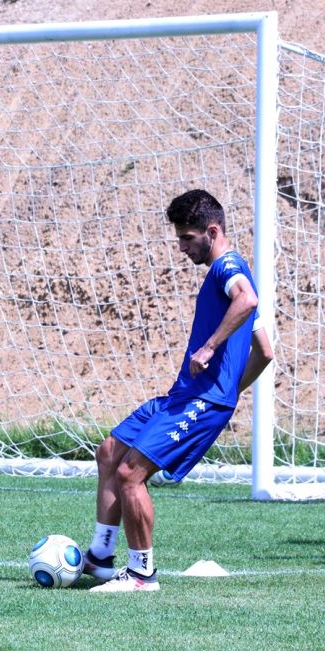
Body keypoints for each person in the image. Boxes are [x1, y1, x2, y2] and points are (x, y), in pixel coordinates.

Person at [80, 189, 273, 592]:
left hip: (201, 400)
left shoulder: (229, 268)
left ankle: (141, 575)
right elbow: (265, 352)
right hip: (185, 396)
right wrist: (231, 388)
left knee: (131, 473)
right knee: (110, 452)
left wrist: (210, 352)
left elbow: (247, 299)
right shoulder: (224, 277)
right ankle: (100, 557)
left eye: (187, 238)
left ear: (212, 231)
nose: (182, 247)